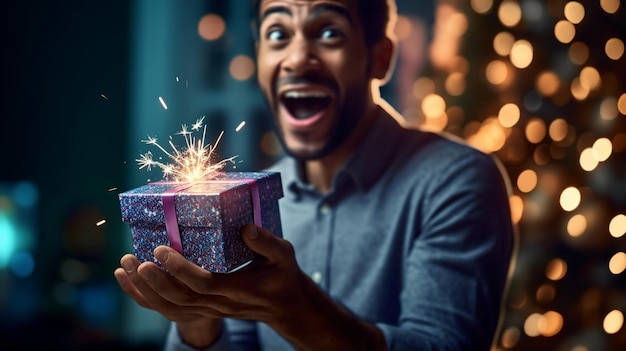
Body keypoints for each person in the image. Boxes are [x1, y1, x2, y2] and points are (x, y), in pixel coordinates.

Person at [114, 0, 516, 350]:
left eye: (328, 32)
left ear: (380, 57)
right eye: (277, 33)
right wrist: (197, 319)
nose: (296, 58)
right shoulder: (252, 200)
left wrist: (297, 311)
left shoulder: (457, 181)